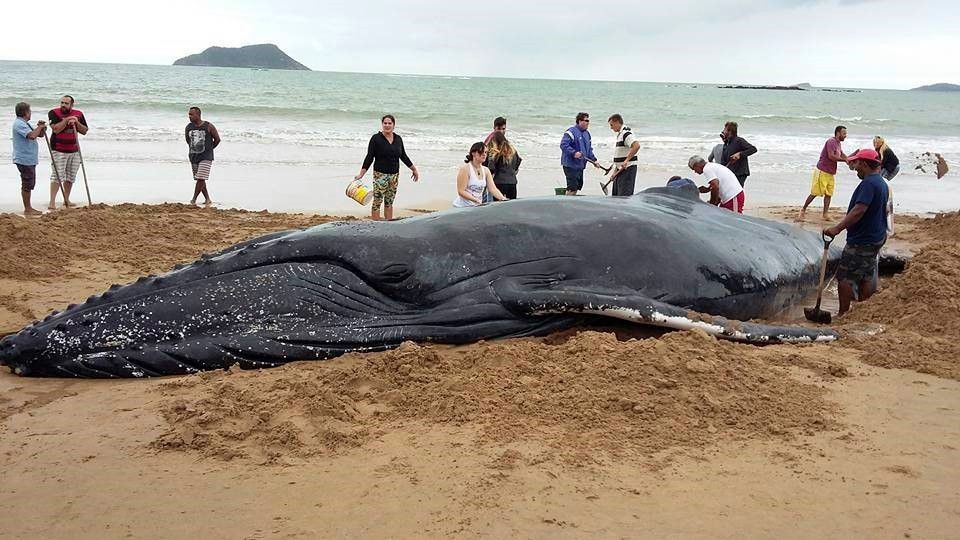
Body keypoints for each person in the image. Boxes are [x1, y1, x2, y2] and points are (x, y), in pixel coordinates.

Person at [823, 149, 889, 316]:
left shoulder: (868, 184)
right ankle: (862, 310)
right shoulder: (881, 182)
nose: (856, 168)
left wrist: (837, 229)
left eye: (858, 164)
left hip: (862, 240)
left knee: (844, 277)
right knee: (865, 274)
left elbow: (859, 210)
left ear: (865, 164)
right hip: (876, 237)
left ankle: (843, 314)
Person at [356, 114, 420, 220]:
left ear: (394, 125)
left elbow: (403, 156)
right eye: (385, 123)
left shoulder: (398, 139)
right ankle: (376, 225)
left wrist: (413, 169)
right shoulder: (376, 139)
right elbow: (369, 157)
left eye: (389, 123)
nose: (387, 125)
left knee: (389, 201)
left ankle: (389, 223)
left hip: (394, 176)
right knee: (377, 201)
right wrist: (361, 174)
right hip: (380, 175)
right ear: (382, 124)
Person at [47, 95, 88, 209]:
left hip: (74, 150)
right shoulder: (53, 113)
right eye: (62, 103)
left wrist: (76, 122)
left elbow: (84, 130)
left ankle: (66, 199)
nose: (63, 105)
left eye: (66, 103)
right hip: (58, 149)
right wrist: (66, 120)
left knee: (70, 176)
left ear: (71, 105)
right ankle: (52, 201)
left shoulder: (79, 114)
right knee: (57, 175)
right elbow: (56, 129)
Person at [799, 125, 848, 220]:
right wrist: (844, 160)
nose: (845, 135)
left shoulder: (838, 143)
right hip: (822, 170)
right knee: (815, 193)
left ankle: (825, 214)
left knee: (829, 194)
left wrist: (849, 159)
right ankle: (803, 209)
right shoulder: (831, 141)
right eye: (844, 133)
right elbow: (831, 156)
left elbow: (842, 154)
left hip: (831, 172)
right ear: (838, 133)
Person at [11, 102, 47, 215]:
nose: (30, 113)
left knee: (30, 182)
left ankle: (28, 207)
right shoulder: (19, 124)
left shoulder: (25, 123)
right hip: (24, 159)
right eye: (30, 111)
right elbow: (31, 136)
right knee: (27, 183)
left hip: (29, 158)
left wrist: (42, 128)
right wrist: (39, 128)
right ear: (26, 112)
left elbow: (38, 135)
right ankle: (28, 208)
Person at [184, 106, 221, 206]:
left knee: (200, 178)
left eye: (191, 114)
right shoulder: (189, 127)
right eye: (189, 114)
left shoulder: (208, 126)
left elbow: (217, 139)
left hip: (206, 157)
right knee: (200, 179)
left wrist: (209, 149)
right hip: (194, 156)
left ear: (198, 115)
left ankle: (193, 200)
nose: (189, 116)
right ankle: (207, 199)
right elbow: (188, 141)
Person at [453, 142, 507, 207]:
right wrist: (475, 199)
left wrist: (503, 199)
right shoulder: (465, 169)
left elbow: (492, 188)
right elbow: (461, 191)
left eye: (486, 152)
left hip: (476, 206)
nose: (484, 154)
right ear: (473, 153)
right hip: (462, 207)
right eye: (481, 152)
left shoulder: (486, 170)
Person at [560, 112, 600, 195]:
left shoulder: (587, 134)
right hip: (570, 164)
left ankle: (570, 201)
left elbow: (589, 150)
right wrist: (574, 153)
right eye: (586, 120)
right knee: (572, 187)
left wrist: (594, 160)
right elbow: (563, 145)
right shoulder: (571, 132)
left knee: (578, 186)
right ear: (579, 121)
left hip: (580, 165)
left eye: (588, 121)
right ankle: (568, 204)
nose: (588, 123)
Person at [607, 114, 640, 196]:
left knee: (624, 197)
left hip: (628, 169)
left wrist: (626, 160)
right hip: (620, 170)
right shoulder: (620, 134)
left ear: (617, 122)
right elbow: (620, 155)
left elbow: (636, 145)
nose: (611, 127)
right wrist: (615, 172)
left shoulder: (626, 133)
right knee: (616, 196)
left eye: (611, 125)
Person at [873, 135, 899, 235]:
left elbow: (882, 163)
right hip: (892, 166)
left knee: (882, 182)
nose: (875, 144)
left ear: (880, 142)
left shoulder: (884, 150)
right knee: (881, 181)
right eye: (874, 142)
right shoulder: (880, 149)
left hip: (894, 167)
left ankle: (882, 197)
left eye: (876, 142)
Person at [485, 131, 521, 200]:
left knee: (498, 207)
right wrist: (513, 171)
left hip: (499, 182)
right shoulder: (512, 151)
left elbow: (491, 168)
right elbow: (518, 161)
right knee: (511, 205)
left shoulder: (495, 152)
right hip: (512, 182)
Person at [720, 121, 757, 187]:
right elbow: (724, 161)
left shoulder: (739, 140)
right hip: (730, 173)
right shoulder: (727, 143)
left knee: (736, 192)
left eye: (724, 129)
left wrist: (740, 154)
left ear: (730, 131)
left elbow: (753, 149)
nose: (723, 131)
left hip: (739, 173)